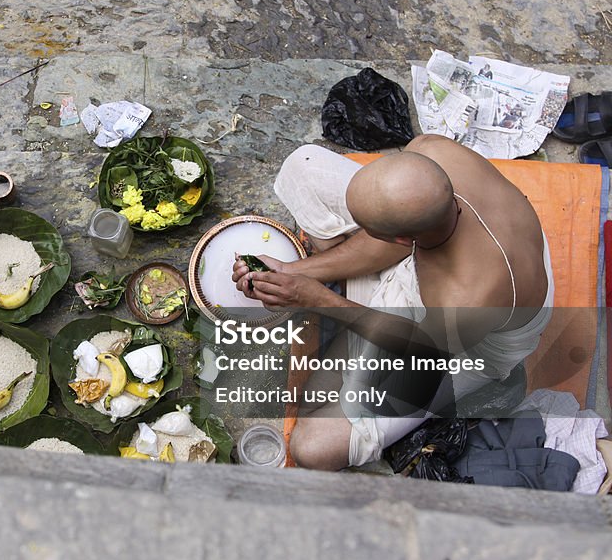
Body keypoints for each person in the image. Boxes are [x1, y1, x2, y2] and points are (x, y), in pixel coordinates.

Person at [233, 135, 553, 470]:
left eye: (367, 231)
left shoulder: (469, 297)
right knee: (304, 165)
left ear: (404, 240)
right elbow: (404, 238)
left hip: (455, 343)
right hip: (436, 268)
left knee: (312, 446)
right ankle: (357, 280)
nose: (361, 233)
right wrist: (293, 270)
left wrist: (316, 299)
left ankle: (358, 297)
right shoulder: (432, 151)